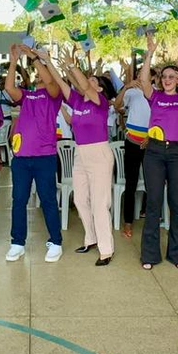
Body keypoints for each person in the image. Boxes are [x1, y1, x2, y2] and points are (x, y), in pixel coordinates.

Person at [138, 34, 178, 271]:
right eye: (164, 77)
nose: (167, 80)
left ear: (177, 80)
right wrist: (150, 53)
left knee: (176, 203)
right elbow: (144, 80)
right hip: (154, 152)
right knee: (154, 203)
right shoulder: (155, 97)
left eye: (171, 77)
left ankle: (177, 254)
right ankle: (150, 255)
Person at [3, 43, 66, 263]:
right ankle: (17, 243)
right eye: (37, 74)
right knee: (19, 200)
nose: (39, 76)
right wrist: (14, 61)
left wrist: (34, 58)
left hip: (44, 157)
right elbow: (9, 87)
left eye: (42, 73)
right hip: (21, 158)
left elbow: (51, 82)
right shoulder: (27, 95)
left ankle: (56, 241)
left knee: (48, 199)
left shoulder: (54, 94)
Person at [52, 57, 117, 266]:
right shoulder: (78, 101)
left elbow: (85, 86)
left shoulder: (101, 103)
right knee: (80, 199)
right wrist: (48, 62)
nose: (88, 82)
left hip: (99, 154)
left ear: (100, 88)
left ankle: (106, 250)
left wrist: (73, 66)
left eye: (92, 81)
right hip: (81, 153)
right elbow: (61, 82)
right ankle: (91, 238)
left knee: (100, 204)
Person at [114, 65, 152, 239]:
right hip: (132, 142)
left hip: (151, 142)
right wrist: (126, 87)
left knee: (153, 182)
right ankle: (128, 222)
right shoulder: (132, 92)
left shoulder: (156, 93)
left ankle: (149, 214)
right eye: (139, 74)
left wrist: (151, 137)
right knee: (131, 182)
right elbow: (117, 106)